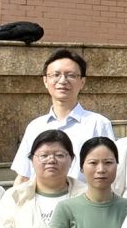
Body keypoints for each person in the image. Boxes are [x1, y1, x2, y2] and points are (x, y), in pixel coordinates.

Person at [10, 48, 117, 184]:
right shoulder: (35, 126)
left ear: (82, 82)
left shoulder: (98, 124)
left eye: (70, 75)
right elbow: (24, 176)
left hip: (82, 196)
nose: (62, 80)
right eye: (55, 75)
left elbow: (110, 171)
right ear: (45, 81)